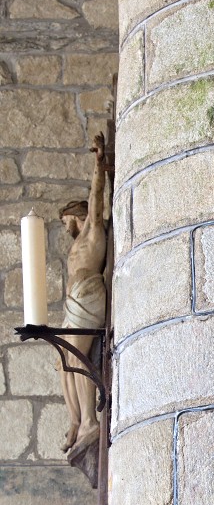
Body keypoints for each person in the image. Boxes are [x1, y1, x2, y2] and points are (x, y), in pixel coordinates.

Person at [59, 132, 107, 453]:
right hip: (75, 298)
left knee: (77, 355)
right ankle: (76, 420)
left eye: (66, 222)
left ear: (77, 216)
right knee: (62, 358)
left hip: (89, 294)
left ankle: (90, 421)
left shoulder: (93, 229)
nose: (65, 228)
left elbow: (96, 192)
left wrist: (98, 161)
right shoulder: (76, 244)